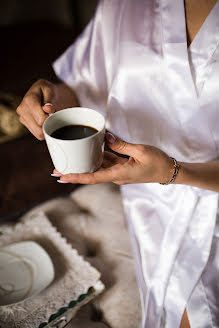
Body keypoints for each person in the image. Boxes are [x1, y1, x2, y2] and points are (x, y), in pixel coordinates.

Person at [16, 0, 219, 327]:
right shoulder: (125, 5)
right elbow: (84, 89)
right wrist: (50, 97)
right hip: (149, 199)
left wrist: (174, 172)